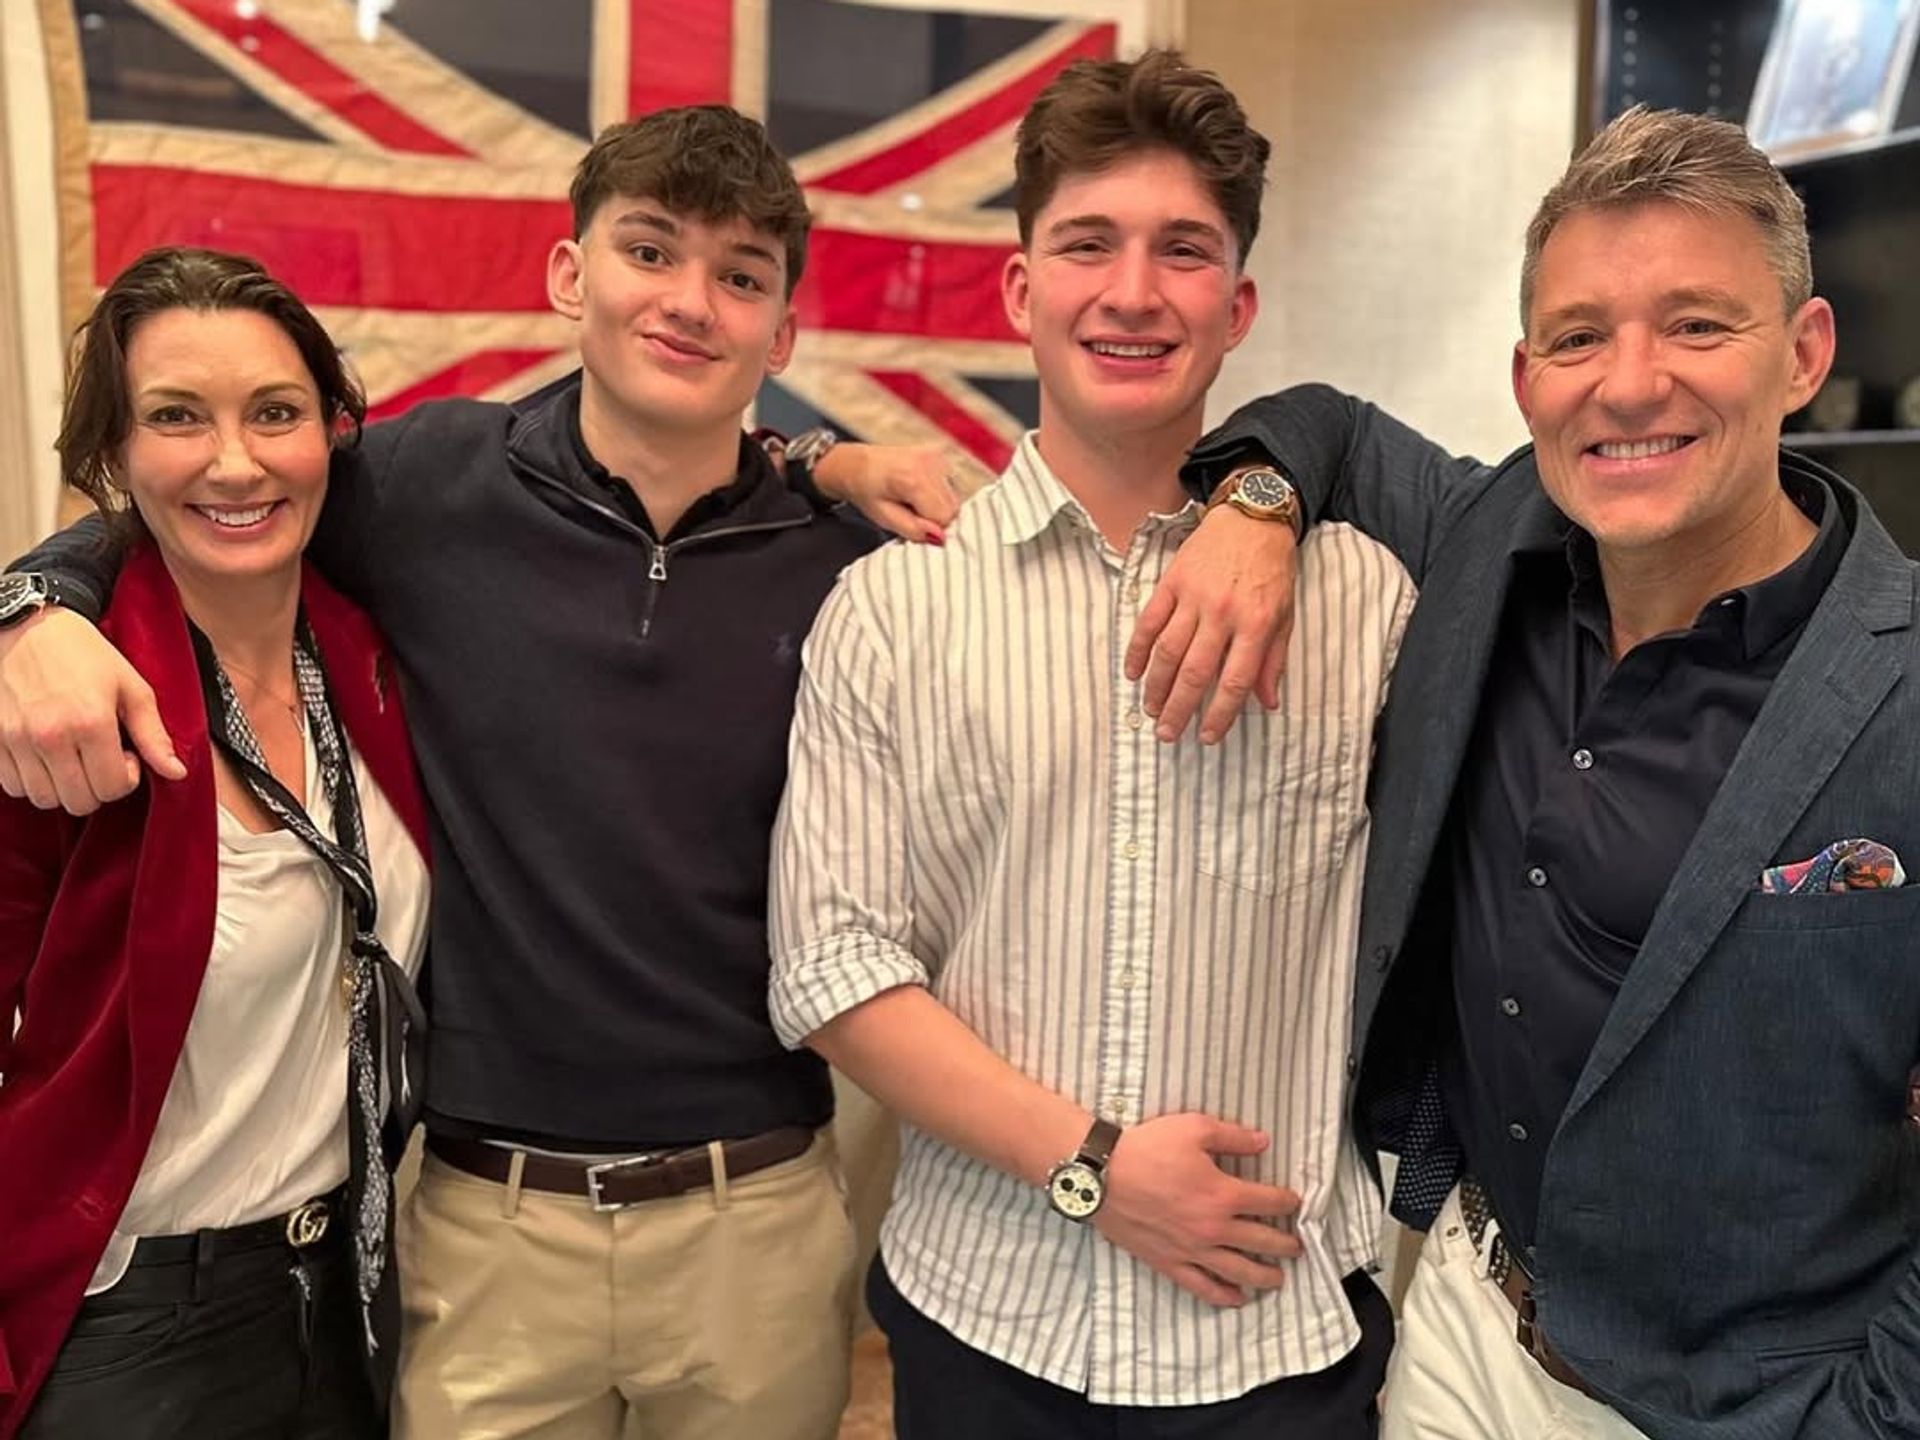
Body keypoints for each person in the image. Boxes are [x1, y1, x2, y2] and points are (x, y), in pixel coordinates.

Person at [0, 107, 961, 1440]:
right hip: (487, 1223)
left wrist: (826, 462)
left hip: (759, 1214)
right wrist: (32, 606)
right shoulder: (420, 487)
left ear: (783, 333)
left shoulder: (851, 565)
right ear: (571, 274)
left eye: (740, 275)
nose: (690, 301)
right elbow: (209, 493)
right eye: (649, 251)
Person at [1180, 106, 1920, 1438]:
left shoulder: (1902, 683)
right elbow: (1330, 424)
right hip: (1466, 1319)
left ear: (1805, 354)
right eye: (1580, 338)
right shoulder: (1488, 540)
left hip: (1745, 1404)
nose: (1629, 384)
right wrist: (1255, 504)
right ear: (1527, 380)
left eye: (1696, 325)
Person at [769, 51, 1410, 1438]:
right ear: (1020, 290)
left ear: (1238, 305)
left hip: (1278, 1335)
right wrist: (1095, 1170)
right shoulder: (896, 607)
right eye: (1086, 245)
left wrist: (1270, 496)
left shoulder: (1366, 600)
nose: (1133, 292)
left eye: (1184, 250)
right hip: (988, 1318)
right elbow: (833, 964)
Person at [0, 246, 430, 1439]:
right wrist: (24, 611)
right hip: (126, 1318)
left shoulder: (373, 653)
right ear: (115, 451)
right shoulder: (57, 709)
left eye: (274, 413)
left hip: (341, 1292)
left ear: (333, 434)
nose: (235, 462)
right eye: (177, 417)